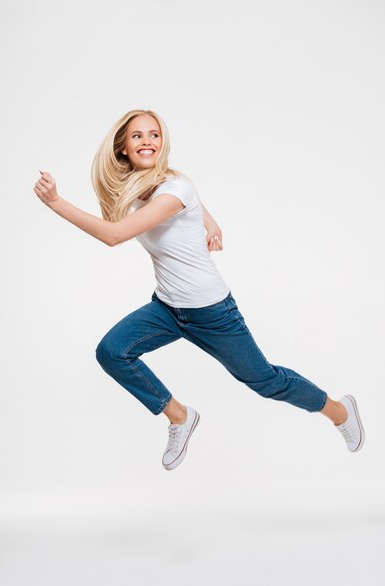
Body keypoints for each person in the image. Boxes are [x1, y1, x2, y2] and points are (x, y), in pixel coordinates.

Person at [33, 108, 365, 471]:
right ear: (124, 147)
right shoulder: (146, 187)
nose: (148, 141)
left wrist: (55, 203)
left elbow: (115, 236)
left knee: (265, 381)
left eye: (154, 135)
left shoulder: (175, 188)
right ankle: (179, 416)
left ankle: (339, 410)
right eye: (138, 136)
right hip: (167, 309)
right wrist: (211, 224)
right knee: (112, 351)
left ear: (162, 143)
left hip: (212, 313)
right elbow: (194, 203)